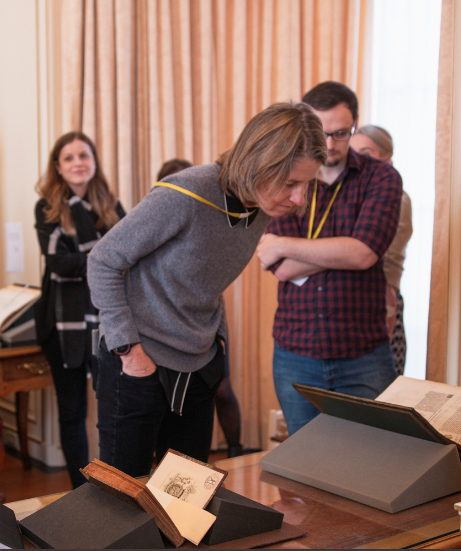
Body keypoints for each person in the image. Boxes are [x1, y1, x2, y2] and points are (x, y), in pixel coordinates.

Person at [88, 102, 327, 477]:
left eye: (306, 184)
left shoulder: (261, 207)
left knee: (185, 498)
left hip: (198, 366)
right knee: (121, 501)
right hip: (138, 362)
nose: (299, 198)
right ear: (259, 163)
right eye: (291, 183)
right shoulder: (185, 193)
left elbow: (207, 280)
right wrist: (129, 351)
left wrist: (218, 342)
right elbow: (103, 260)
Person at [258, 82, 403, 436]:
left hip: (363, 353)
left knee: (373, 465)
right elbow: (279, 266)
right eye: (322, 133)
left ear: (354, 126)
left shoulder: (381, 176)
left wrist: (285, 243)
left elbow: (364, 253)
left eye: (341, 133)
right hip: (296, 351)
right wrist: (344, 248)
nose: (331, 143)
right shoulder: (284, 176)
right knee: (305, 470)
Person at [34, 132, 125, 489]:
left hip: (109, 319)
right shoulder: (47, 207)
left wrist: (91, 260)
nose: (78, 163)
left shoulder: (112, 206)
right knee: (73, 412)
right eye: (69, 157)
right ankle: (80, 490)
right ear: (58, 166)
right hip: (62, 325)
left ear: (95, 161)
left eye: (84, 155)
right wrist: (105, 258)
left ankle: (116, 485)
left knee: (112, 410)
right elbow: (59, 263)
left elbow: (131, 253)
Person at [155, 158, 245, 458]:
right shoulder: (154, 225)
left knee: (221, 389)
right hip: (166, 327)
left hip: (207, 320)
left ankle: (235, 453)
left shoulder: (208, 220)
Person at [351, 125, 413, 375]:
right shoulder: (355, 196)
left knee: (383, 387)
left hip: (383, 297)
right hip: (352, 297)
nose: (359, 160)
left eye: (367, 152)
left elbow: (375, 254)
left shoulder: (398, 198)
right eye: (354, 153)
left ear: (387, 157)